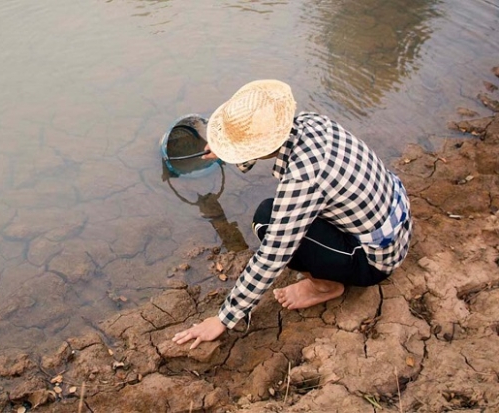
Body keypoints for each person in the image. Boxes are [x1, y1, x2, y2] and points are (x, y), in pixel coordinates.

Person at [172, 79, 412, 350]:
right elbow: (268, 146)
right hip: (395, 217)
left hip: (377, 258)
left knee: (266, 220)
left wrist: (223, 319)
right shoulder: (311, 122)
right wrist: (229, 152)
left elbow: (272, 257)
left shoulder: (302, 179)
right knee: (277, 212)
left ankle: (325, 287)